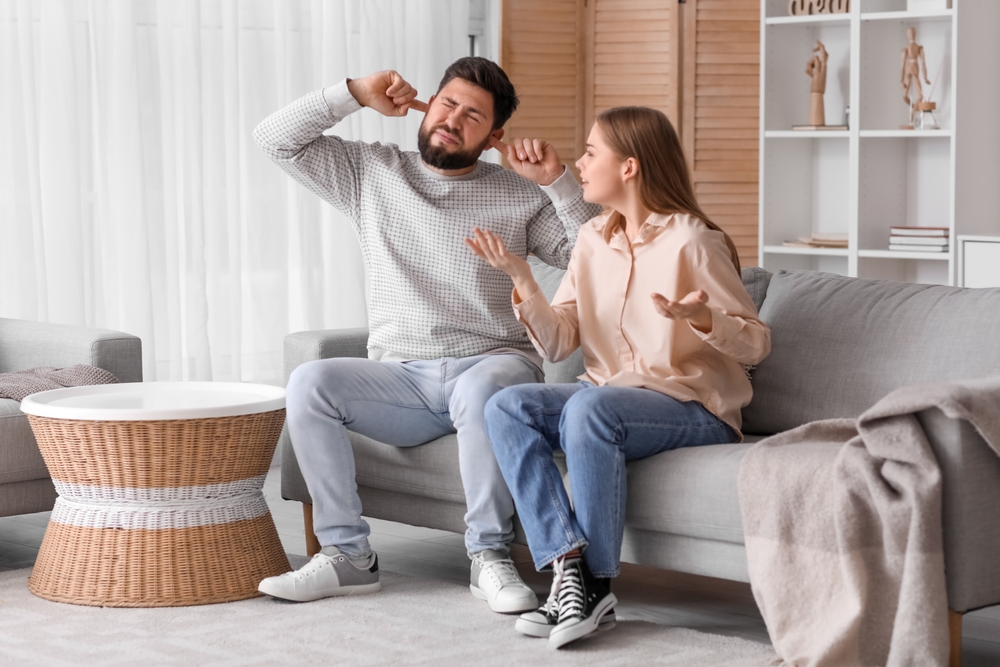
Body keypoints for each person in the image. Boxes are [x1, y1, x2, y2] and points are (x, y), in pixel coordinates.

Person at [252, 57, 602, 612]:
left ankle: (488, 556)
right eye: (447, 103)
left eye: (473, 115)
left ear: (494, 136)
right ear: (426, 105)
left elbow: (595, 255)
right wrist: (352, 93)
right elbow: (273, 139)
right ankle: (347, 556)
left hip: (491, 369)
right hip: (401, 381)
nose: (453, 119)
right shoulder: (372, 172)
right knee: (309, 380)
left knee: (482, 389)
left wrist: (557, 182)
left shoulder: (519, 194)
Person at [467, 106, 771, 648]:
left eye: (590, 153)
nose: (579, 164)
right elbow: (560, 340)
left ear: (629, 167)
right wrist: (522, 280)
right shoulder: (589, 240)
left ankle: (595, 583)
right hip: (608, 399)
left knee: (590, 406)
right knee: (506, 407)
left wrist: (700, 318)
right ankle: (567, 570)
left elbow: (754, 345)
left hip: (692, 407)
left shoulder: (692, 242)